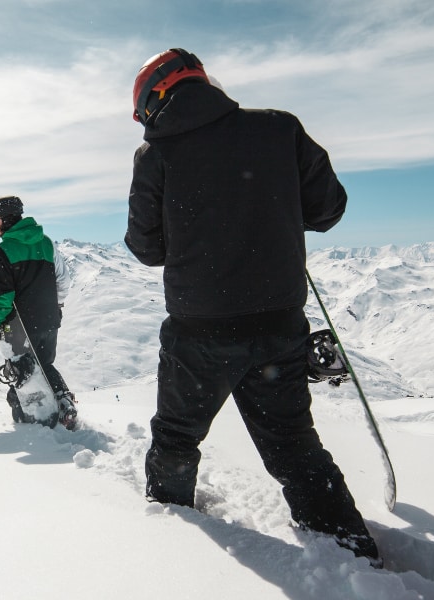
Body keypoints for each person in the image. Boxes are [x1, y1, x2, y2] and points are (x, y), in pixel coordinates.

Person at [123, 48, 381, 567]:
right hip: (278, 325)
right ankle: (350, 550)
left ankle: (167, 549)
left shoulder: (155, 156)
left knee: (176, 439)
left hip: (198, 333)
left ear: (156, 98)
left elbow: (146, 248)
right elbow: (328, 209)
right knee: (291, 441)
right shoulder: (280, 129)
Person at [0, 196, 77, 430]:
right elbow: (63, 281)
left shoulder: (5, 249)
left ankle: (27, 423)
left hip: (21, 325)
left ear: (7, 218)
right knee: (45, 365)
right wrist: (55, 307)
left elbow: (4, 296)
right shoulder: (46, 243)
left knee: (23, 372)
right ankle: (64, 405)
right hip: (50, 320)